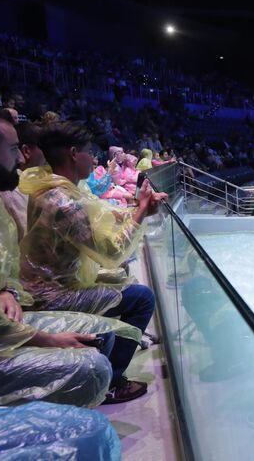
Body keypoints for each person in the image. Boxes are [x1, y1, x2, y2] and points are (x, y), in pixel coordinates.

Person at [0, 97, 111, 407]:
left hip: (5, 316)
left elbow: (4, 263)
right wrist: (49, 341)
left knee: (102, 340)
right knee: (93, 366)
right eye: (12, 150)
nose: (21, 159)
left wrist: (6, 288)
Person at [19, 121, 167, 403]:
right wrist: (142, 212)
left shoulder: (53, 189)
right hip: (51, 296)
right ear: (74, 153)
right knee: (142, 298)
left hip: (44, 285)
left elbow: (99, 213)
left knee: (121, 285)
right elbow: (112, 251)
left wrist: (139, 210)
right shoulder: (63, 202)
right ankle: (111, 381)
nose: (95, 159)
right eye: (90, 152)